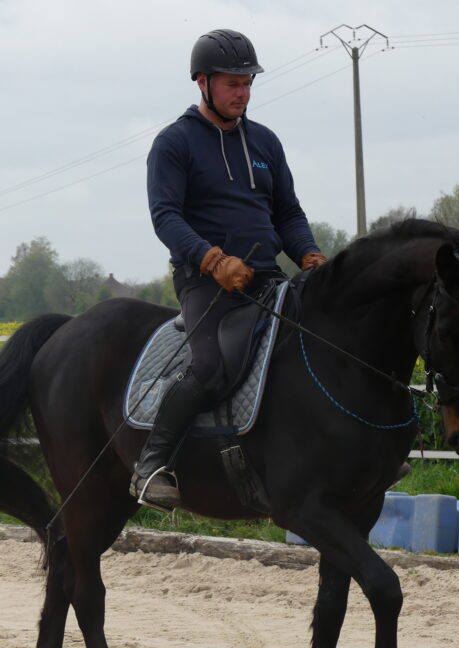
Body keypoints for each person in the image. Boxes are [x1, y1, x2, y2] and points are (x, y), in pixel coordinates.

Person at [130, 28, 326, 510]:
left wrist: (309, 255)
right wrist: (212, 259)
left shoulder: (265, 142)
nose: (243, 92)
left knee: (325, 341)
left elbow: (287, 213)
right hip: (205, 282)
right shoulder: (174, 143)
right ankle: (151, 464)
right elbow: (165, 216)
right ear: (203, 83)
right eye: (233, 83)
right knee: (211, 366)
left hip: (266, 276)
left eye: (248, 82)